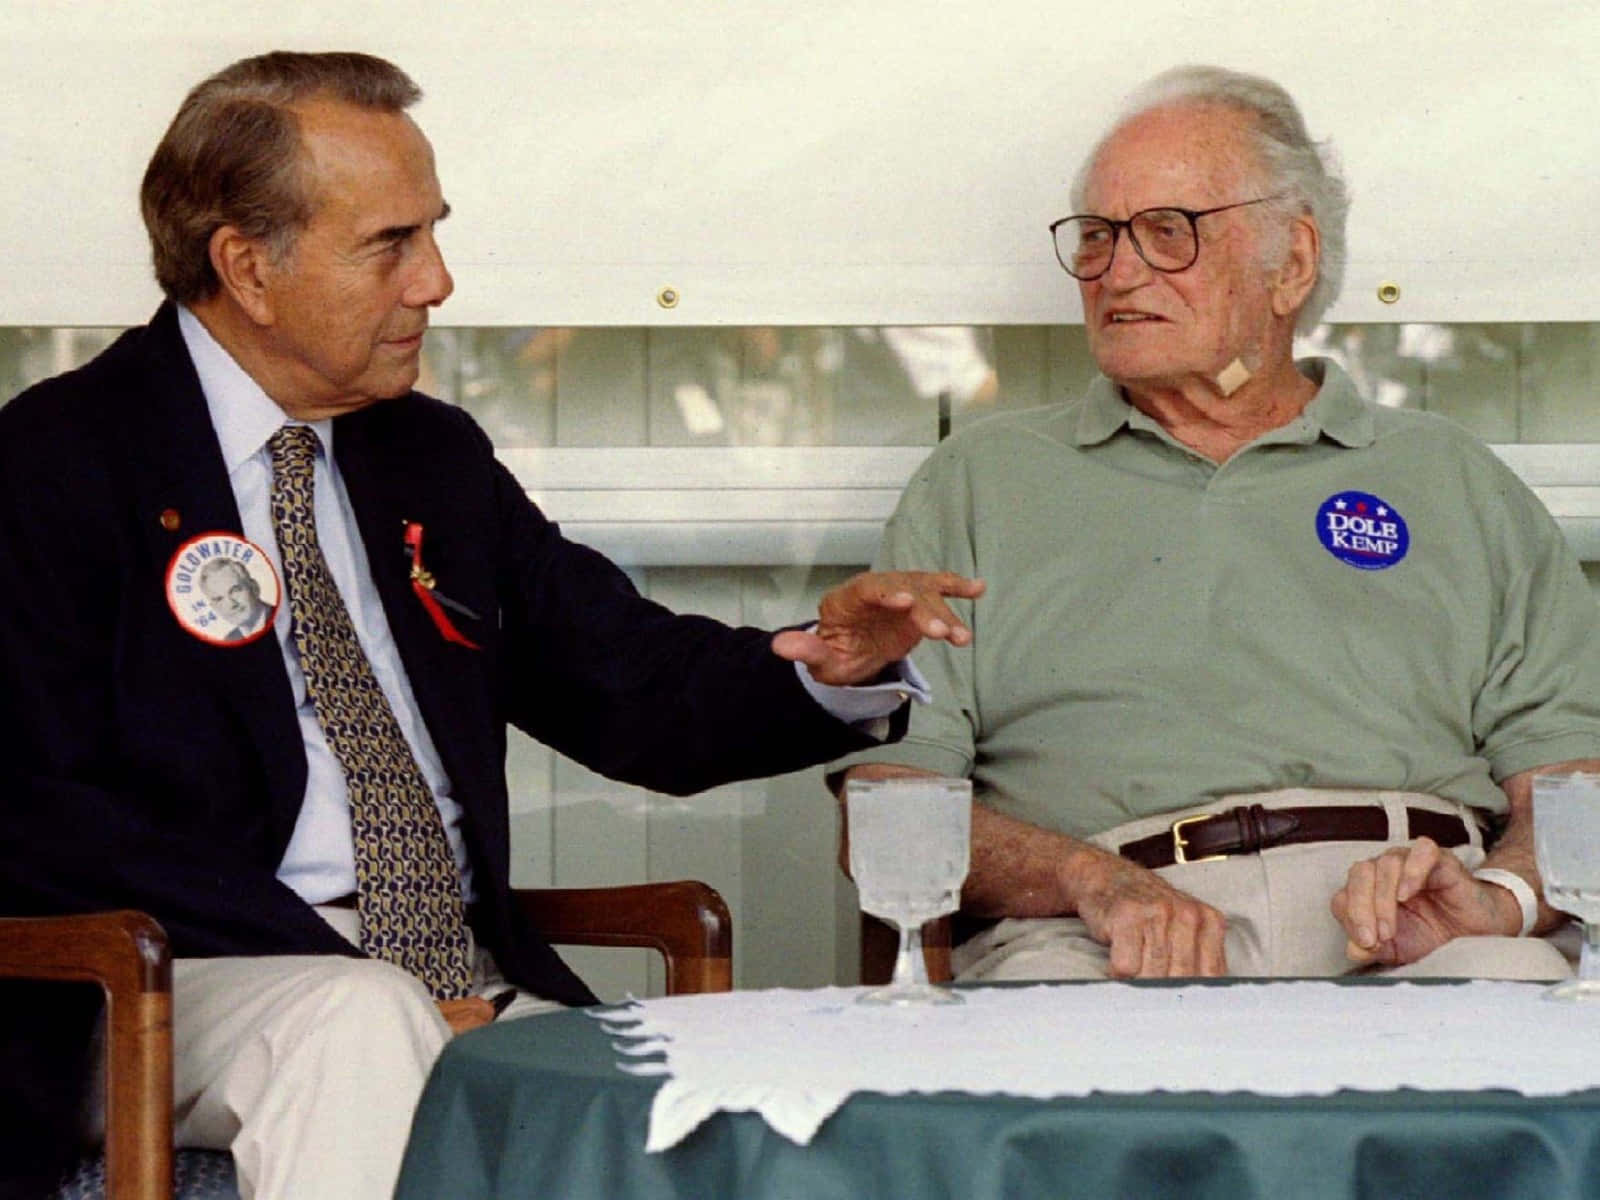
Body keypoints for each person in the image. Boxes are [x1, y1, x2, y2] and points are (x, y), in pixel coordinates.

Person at [0, 51, 984, 1199]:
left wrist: (826, 665)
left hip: (451, 981)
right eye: (390, 244)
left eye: (434, 233)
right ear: (246, 267)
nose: (438, 281)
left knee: (753, 1103)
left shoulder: (430, 457)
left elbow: (622, 676)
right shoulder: (56, 463)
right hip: (164, 987)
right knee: (355, 1022)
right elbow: (37, 814)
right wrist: (364, 974)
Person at [832, 64, 1600, 988]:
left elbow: (1574, 778)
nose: (1117, 271)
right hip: (1107, 930)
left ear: (1293, 265)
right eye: (1098, 237)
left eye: (1167, 233)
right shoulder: (979, 481)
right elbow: (891, 804)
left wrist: (1499, 899)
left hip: (1422, 921)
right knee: (1056, 1068)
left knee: (1530, 1054)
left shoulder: (1449, 476)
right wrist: (1088, 880)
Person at [197, 556, 273, 641]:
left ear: (254, 587)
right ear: (215, 608)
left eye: (235, 590)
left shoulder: (284, 618)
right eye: (219, 599)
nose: (231, 603)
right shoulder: (229, 640)